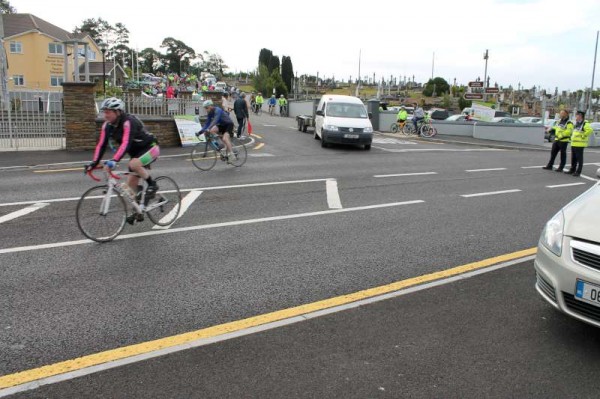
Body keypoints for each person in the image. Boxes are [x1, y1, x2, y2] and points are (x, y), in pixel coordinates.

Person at [86, 97, 160, 216]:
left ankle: (152, 185)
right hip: (136, 154)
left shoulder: (128, 122)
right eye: (104, 112)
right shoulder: (107, 125)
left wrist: (114, 160)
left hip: (151, 148)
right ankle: (139, 211)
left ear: (118, 112)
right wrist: (94, 162)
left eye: (108, 112)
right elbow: (101, 145)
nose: (105, 115)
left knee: (133, 164)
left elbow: (126, 143)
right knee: (130, 190)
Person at [565, 110, 593, 177]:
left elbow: (590, 130)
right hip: (574, 143)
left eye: (577, 115)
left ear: (580, 116)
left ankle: (578, 171)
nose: (576, 117)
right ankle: (572, 169)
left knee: (579, 159)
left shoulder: (585, 123)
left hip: (580, 144)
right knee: (573, 158)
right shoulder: (577, 123)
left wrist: (583, 136)